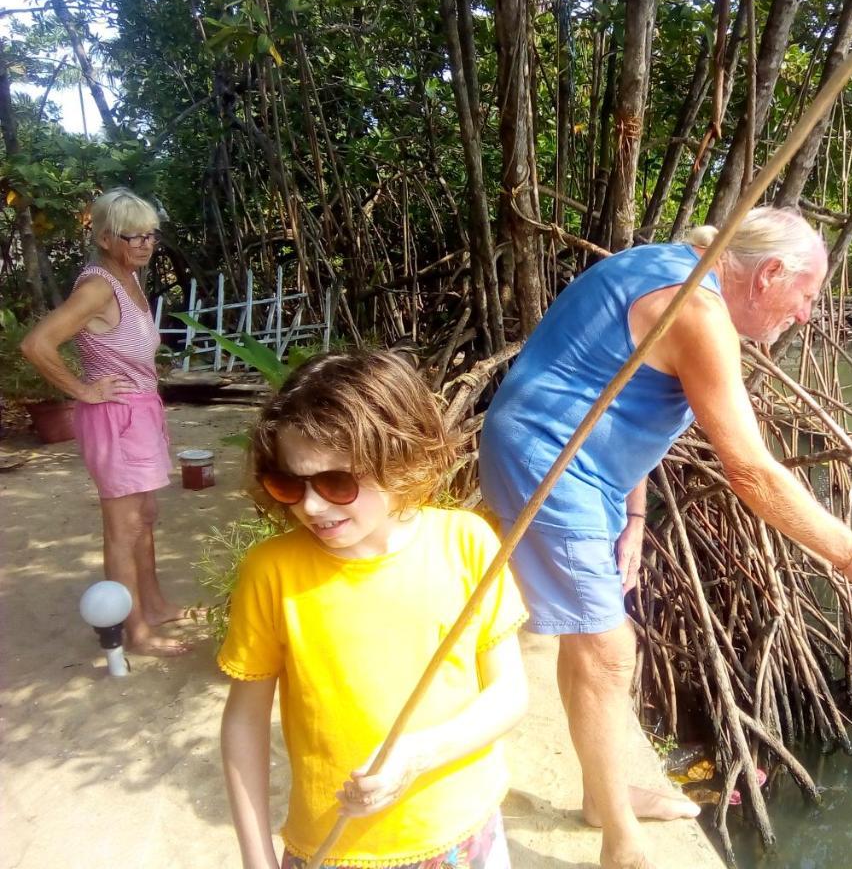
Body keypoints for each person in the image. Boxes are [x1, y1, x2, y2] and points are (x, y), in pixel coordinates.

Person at [477, 206, 852, 869]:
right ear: (770, 274)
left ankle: (604, 794)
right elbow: (751, 469)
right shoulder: (698, 313)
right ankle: (617, 834)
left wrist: (635, 515)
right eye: (807, 296)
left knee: (593, 638)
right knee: (609, 650)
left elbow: (618, 400)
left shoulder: (664, 265)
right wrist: (845, 550)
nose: (803, 315)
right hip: (547, 462)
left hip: (571, 459)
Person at [220, 350, 528, 869]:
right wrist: (257, 858)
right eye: (290, 484)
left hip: (464, 833)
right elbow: (243, 724)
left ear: (401, 458)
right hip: (333, 848)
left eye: (337, 482)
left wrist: (417, 753)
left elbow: (510, 693)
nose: (311, 507)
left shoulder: (466, 543)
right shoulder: (271, 570)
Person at [21, 187, 193, 656]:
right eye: (130, 235)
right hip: (114, 417)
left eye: (150, 235)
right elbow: (37, 344)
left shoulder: (130, 278)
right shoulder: (97, 286)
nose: (143, 243)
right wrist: (83, 389)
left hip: (140, 411)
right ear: (102, 236)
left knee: (146, 518)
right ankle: (137, 632)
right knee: (124, 529)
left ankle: (153, 605)